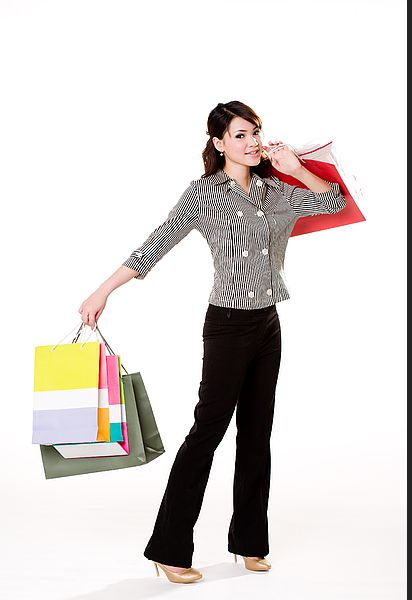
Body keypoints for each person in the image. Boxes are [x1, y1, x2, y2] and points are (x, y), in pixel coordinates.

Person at [78, 100, 347, 584]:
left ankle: (249, 543)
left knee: (256, 435)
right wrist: (103, 290)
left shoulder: (274, 190)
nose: (251, 143)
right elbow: (157, 242)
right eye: (240, 136)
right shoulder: (203, 196)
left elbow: (335, 203)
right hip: (226, 326)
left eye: (255, 133)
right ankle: (168, 548)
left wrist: (297, 167)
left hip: (268, 324)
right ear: (219, 143)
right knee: (207, 434)